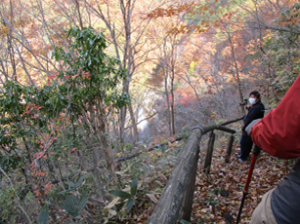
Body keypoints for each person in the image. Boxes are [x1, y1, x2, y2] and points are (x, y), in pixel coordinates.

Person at [248, 75, 300, 224]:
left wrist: (255, 130)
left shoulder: (259, 107)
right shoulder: (254, 106)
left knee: (264, 215)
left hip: (289, 211)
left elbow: (280, 134)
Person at [238, 91, 265, 162]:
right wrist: (249, 108)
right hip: (255, 127)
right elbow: (254, 113)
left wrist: (243, 128)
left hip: (250, 127)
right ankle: (244, 155)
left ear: (258, 98)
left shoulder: (257, 107)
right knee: (248, 142)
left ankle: (243, 157)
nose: (251, 99)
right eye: (251, 97)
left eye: (253, 97)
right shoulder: (259, 106)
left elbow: (250, 118)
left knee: (244, 142)